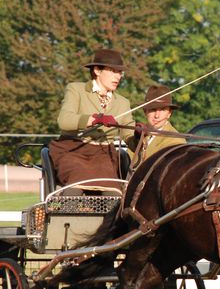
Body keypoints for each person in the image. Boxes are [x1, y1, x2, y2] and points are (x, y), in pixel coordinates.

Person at [49, 48, 135, 191]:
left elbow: (128, 134)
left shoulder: (123, 102)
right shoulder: (76, 89)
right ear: (97, 71)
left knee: (110, 186)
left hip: (104, 155)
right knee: (77, 178)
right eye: (113, 71)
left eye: (120, 72)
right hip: (73, 149)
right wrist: (94, 119)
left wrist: (138, 135)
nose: (118, 76)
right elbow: (64, 120)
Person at [126, 84, 186, 169]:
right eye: (153, 110)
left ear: (169, 113)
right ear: (145, 112)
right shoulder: (137, 136)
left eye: (162, 110)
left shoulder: (176, 142)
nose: (157, 116)